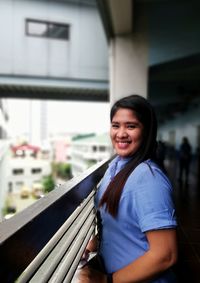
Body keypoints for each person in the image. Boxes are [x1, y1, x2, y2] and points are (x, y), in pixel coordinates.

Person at [78, 95, 178, 283]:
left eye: (131, 126)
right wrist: (92, 244)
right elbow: (122, 224)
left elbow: (166, 255)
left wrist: (105, 280)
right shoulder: (114, 168)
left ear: (146, 131)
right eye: (116, 125)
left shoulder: (148, 178)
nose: (121, 133)